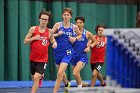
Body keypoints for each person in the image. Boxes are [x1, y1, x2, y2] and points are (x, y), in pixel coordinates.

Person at [24, 10, 57, 93]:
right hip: (33, 58)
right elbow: (25, 41)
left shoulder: (50, 31)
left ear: (48, 21)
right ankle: (40, 77)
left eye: (46, 20)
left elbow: (53, 40)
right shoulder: (33, 29)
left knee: (36, 77)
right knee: (34, 77)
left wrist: (55, 44)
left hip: (43, 60)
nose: (43, 21)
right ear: (39, 19)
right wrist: (34, 38)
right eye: (42, 19)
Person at [52, 8, 82, 93]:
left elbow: (80, 35)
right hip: (57, 51)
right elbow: (50, 34)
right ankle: (66, 84)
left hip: (68, 52)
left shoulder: (74, 27)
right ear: (62, 15)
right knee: (61, 71)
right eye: (64, 14)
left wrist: (75, 39)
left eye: (67, 15)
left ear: (70, 16)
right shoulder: (58, 25)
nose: (66, 16)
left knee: (60, 72)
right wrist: (57, 34)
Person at [71, 16, 97, 88]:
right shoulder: (72, 32)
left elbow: (95, 41)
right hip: (73, 57)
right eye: (77, 22)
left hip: (82, 57)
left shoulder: (87, 33)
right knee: (77, 75)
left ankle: (80, 89)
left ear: (83, 24)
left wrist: (90, 47)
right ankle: (82, 84)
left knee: (75, 73)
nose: (78, 24)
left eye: (80, 22)